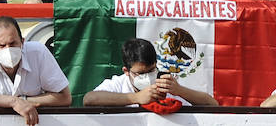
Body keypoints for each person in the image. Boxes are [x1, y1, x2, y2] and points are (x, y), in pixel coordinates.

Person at [0, 15, 71, 121]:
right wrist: (13, 102)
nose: (8, 49)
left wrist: (25, 101)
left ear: (22, 42)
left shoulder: (38, 52)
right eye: (2, 46)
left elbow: (64, 97)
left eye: (13, 44)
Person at [84, 37, 217, 108]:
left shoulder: (165, 83)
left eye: (151, 70)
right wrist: (135, 98)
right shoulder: (119, 84)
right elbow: (89, 99)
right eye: (141, 74)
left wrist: (179, 90)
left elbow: (212, 104)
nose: (148, 77)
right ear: (126, 71)